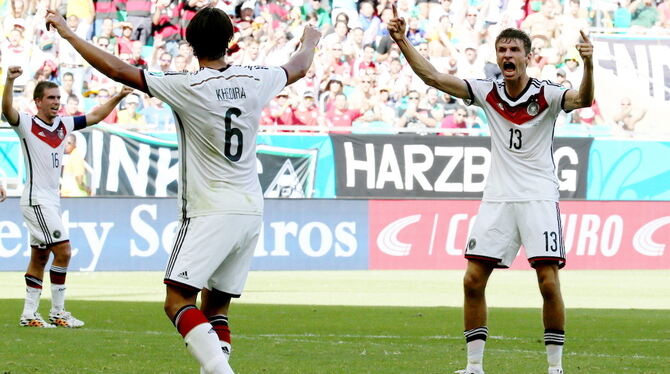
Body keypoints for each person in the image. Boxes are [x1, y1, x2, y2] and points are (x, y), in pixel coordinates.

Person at [47, 7, 321, 374]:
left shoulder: (186, 85)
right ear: (231, 41)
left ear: (190, 44)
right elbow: (299, 66)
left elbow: (117, 70)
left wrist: (67, 33)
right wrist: (312, 40)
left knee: (176, 299)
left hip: (210, 209)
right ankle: (216, 367)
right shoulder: (259, 78)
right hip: (251, 207)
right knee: (216, 306)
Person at [388, 6, 594, 374]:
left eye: (515, 50)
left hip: (537, 197)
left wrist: (589, 66)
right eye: (502, 50)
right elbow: (434, 77)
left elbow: (583, 100)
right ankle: (473, 366)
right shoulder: (487, 91)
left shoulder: (547, 94)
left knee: (548, 282)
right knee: (472, 280)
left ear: (528, 57)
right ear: (496, 56)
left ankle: (555, 368)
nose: (507, 56)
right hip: (497, 198)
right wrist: (402, 40)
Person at [2, 66, 131, 328]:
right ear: (37, 101)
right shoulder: (27, 123)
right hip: (36, 198)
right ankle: (58, 312)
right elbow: (7, 110)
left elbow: (95, 115)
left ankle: (29, 314)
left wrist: (118, 96)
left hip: (51, 199)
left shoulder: (64, 124)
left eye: (58, 98)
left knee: (40, 258)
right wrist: (9, 80)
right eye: (51, 98)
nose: (56, 102)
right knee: (64, 251)